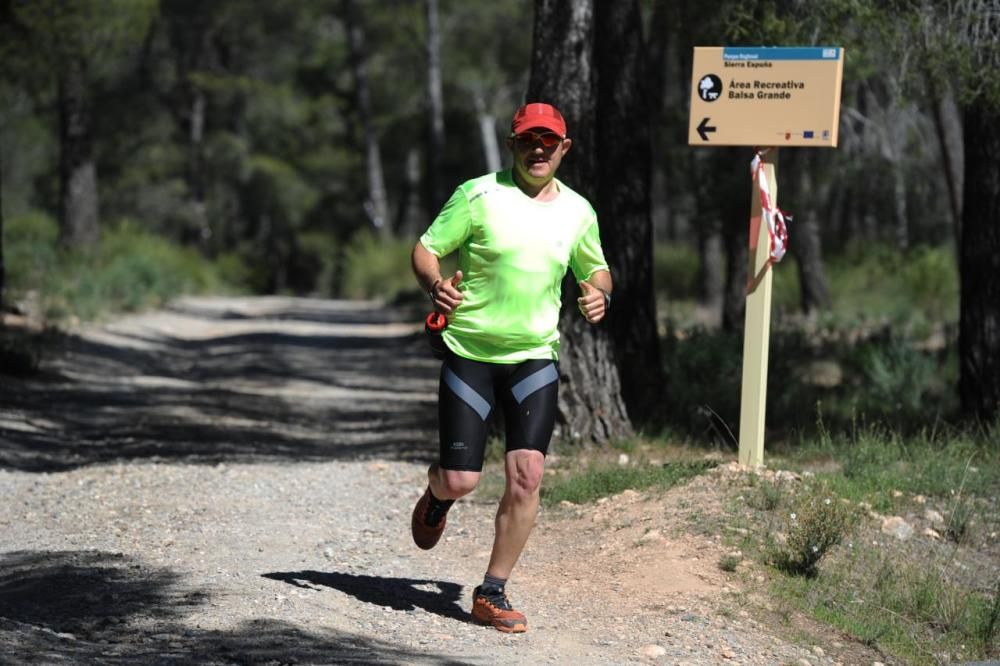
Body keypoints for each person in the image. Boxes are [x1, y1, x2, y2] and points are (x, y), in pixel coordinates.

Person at [410, 102, 612, 634]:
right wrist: (436, 284)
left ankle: (492, 590)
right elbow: (427, 249)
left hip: (533, 356)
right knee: (461, 479)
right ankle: (437, 496)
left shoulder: (579, 211)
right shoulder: (478, 194)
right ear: (513, 144)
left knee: (528, 475)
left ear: (564, 148)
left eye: (549, 141)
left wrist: (599, 295)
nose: (538, 149)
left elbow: (596, 269)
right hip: (470, 350)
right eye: (528, 140)